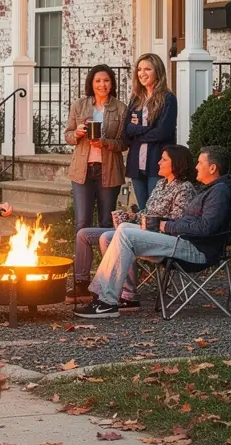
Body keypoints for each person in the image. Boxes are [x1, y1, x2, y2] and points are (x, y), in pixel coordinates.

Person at [76, 146, 231, 319]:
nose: (196, 166)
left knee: (126, 235)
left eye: (200, 162)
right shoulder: (209, 190)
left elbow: (205, 228)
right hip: (181, 240)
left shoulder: (219, 192)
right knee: (123, 228)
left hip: (196, 250)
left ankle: (107, 302)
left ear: (212, 168)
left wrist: (166, 226)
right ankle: (105, 296)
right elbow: (191, 222)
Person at [72, 144, 196, 306]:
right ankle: (96, 288)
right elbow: (149, 211)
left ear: (176, 164)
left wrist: (148, 221)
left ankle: (125, 294)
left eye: (163, 159)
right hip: (142, 229)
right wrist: (132, 216)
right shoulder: (161, 184)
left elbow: (176, 221)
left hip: (161, 237)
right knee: (89, 234)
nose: (158, 162)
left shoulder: (184, 189)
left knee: (109, 237)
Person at [66, 64, 128, 234]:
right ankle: (82, 260)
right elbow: (68, 135)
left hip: (109, 170)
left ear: (112, 83)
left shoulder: (121, 109)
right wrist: (77, 134)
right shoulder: (79, 105)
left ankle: (107, 260)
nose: (102, 85)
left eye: (106, 80)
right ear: (91, 83)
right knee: (81, 222)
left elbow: (124, 142)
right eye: (98, 81)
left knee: (107, 223)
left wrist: (105, 143)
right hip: (82, 170)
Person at [124, 54, 177, 211]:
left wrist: (137, 131)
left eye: (147, 69)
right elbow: (127, 129)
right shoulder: (136, 98)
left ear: (158, 72)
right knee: (142, 209)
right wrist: (147, 128)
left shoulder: (168, 98)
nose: (142, 73)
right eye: (139, 69)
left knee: (154, 210)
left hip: (157, 161)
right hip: (136, 161)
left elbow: (163, 132)